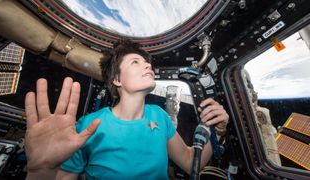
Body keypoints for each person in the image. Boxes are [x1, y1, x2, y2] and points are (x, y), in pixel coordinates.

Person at [25, 39, 229, 180]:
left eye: (147, 63)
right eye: (135, 62)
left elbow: (190, 162)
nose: (147, 66)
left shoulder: (159, 116)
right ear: (117, 79)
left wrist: (217, 132)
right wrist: (40, 171)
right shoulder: (88, 126)